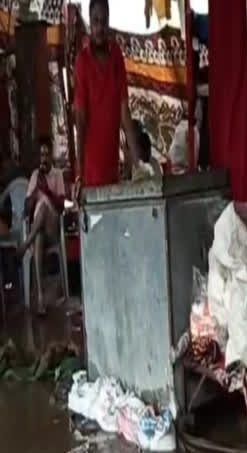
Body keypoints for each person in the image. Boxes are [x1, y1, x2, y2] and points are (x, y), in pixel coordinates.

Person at [74, 0, 139, 198]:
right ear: (89, 23)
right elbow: (80, 120)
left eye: (104, 21)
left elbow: (124, 112)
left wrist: (138, 164)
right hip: (90, 172)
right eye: (95, 21)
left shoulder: (117, 56)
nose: (100, 27)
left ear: (109, 22)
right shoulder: (82, 62)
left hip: (112, 168)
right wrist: (79, 174)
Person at [20, 137, 66, 314]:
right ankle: (40, 298)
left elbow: (62, 206)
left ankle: (25, 243)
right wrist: (34, 191)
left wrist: (46, 190)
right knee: (37, 236)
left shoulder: (58, 174)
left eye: (47, 154)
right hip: (39, 231)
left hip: (52, 228)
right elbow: (26, 210)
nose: (44, 158)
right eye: (41, 155)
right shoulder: (34, 176)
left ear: (51, 156)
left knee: (46, 206)